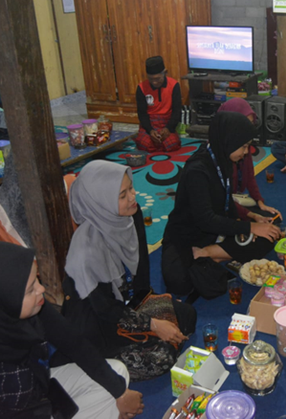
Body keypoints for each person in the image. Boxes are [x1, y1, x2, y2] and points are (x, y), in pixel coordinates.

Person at [0, 241, 144, 419]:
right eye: (30, 289)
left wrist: (120, 393)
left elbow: (73, 342)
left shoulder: (25, 309)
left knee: (117, 375)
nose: (41, 289)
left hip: (38, 393)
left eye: (37, 280)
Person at [61, 160, 196, 381]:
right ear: (100, 202)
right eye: (122, 195)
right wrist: (153, 324)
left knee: (187, 314)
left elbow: (140, 274)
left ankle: (159, 337)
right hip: (99, 326)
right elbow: (105, 310)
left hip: (127, 304)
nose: (133, 197)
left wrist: (150, 301)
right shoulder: (86, 250)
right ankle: (97, 365)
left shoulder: (131, 216)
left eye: (130, 188)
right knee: (161, 357)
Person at [162, 112, 281, 297]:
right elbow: (205, 220)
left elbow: (226, 198)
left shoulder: (223, 157)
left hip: (217, 229)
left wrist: (252, 218)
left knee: (270, 233)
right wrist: (249, 228)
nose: (245, 152)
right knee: (179, 283)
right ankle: (210, 253)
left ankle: (208, 253)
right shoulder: (197, 171)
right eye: (243, 146)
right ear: (228, 141)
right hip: (189, 235)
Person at [217, 98, 280, 222]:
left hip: (234, 201)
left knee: (273, 219)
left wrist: (259, 202)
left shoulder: (243, 146)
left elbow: (250, 176)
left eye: (251, 123)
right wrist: (250, 217)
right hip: (218, 209)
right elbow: (220, 200)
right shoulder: (217, 154)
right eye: (244, 123)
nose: (248, 128)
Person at [135, 56, 182, 153]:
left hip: (166, 123)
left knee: (173, 144)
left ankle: (159, 143)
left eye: (157, 78)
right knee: (144, 144)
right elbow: (142, 113)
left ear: (165, 73)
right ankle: (155, 142)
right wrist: (150, 131)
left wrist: (169, 128)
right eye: (151, 79)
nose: (154, 82)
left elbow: (177, 111)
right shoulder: (141, 88)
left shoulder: (174, 85)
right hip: (150, 123)